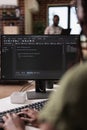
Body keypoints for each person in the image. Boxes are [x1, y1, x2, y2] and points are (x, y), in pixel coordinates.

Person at [0, 0, 87, 130]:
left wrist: (16, 128)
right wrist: (43, 119)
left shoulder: (79, 79)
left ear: (83, 15)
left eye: (76, 9)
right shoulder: (49, 29)